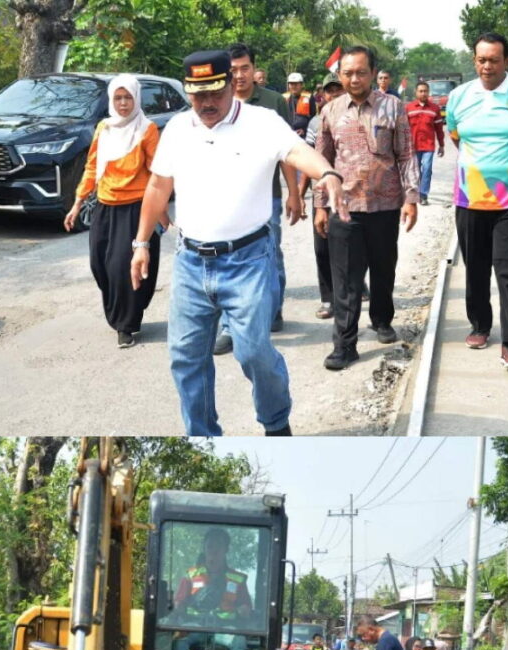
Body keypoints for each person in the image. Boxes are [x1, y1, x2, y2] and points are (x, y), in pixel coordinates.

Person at [130, 50, 347, 437]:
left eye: (215, 93)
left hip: (248, 260)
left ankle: (276, 423)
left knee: (253, 351)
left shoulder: (261, 122)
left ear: (232, 84)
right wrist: (141, 243)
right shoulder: (178, 128)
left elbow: (298, 152)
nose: (207, 103)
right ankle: (203, 436)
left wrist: (327, 173)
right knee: (185, 357)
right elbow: (159, 186)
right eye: (198, 95)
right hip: (191, 263)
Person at [444, 32, 508, 371]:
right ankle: (480, 325)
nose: (487, 66)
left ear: (507, 61)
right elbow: (456, 136)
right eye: (481, 60)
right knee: (475, 267)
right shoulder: (459, 97)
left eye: (494, 60)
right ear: (474, 60)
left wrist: (507, 170)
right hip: (470, 197)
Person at [315, 45, 419, 371]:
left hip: (385, 206)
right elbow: (322, 162)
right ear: (339, 74)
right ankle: (344, 345)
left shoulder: (393, 107)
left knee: (383, 269)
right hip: (344, 208)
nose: (354, 79)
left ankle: (382, 319)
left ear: (373, 73)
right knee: (345, 280)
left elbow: (406, 155)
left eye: (361, 72)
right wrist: (320, 206)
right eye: (347, 73)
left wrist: (411, 198)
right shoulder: (330, 111)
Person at [214, 43, 302, 355]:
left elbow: (287, 151)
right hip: (227, 199)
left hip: (267, 198)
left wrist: (294, 193)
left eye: (245, 68)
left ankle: (273, 308)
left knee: (269, 254)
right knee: (227, 260)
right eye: (233, 70)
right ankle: (229, 326)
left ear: (254, 69)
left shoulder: (273, 102)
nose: (239, 75)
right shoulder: (217, 100)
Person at [65, 75, 162, 349]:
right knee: (99, 264)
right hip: (105, 206)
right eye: (118, 98)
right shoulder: (104, 128)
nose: (123, 103)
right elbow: (92, 166)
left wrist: (160, 209)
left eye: (128, 97)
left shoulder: (147, 129)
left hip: (136, 208)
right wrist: (78, 202)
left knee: (122, 268)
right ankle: (121, 312)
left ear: (136, 98)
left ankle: (126, 324)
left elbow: (157, 173)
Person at [170, 527, 252, 650]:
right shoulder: (191, 575)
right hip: (196, 627)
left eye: (218, 547)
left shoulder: (237, 578)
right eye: (210, 546)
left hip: (224, 629)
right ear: (205, 549)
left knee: (239, 641)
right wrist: (180, 608)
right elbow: (179, 602)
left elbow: (247, 606)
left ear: (226, 550)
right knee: (179, 640)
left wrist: (244, 610)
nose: (214, 551)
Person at [301, 72, 345, 321]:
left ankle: (355, 288)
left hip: (352, 193)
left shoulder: (357, 115)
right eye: (330, 90)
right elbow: (308, 160)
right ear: (323, 95)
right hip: (323, 194)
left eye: (338, 89)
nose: (334, 94)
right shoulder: (315, 123)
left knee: (353, 246)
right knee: (323, 247)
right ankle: (329, 298)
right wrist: (299, 193)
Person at [404, 81, 445, 206]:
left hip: (428, 145)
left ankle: (423, 195)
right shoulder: (409, 108)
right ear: (416, 92)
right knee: (416, 171)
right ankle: (415, 193)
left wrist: (442, 145)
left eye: (425, 91)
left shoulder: (434, 109)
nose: (423, 93)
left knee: (427, 169)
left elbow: (439, 128)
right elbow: (403, 128)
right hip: (413, 146)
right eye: (420, 91)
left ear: (429, 92)